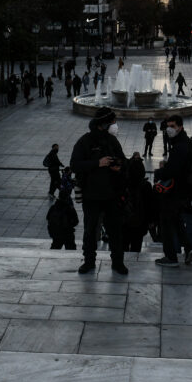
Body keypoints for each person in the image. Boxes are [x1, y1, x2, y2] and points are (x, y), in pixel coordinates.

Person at [68, 107, 129, 275]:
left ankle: (118, 262)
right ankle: (89, 261)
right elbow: (74, 165)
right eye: (113, 122)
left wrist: (119, 165)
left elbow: (124, 161)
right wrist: (97, 163)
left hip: (112, 195)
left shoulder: (112, 141)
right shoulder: (85, 142)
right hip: (91, 196)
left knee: (115, 231)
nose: (115, 124)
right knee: (90, 231)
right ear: (104, 123)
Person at [152, 115, 192, 265]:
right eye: (168, 126)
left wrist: (159, 172)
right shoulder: (185, 142)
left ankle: (171, 257)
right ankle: (190, 248)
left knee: (166, 223)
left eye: (172, 126)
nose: (169, 129)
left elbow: (172, 171)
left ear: (180, 127)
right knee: (176, 221)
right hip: (183, 191)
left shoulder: (179, 147)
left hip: (175, 192)